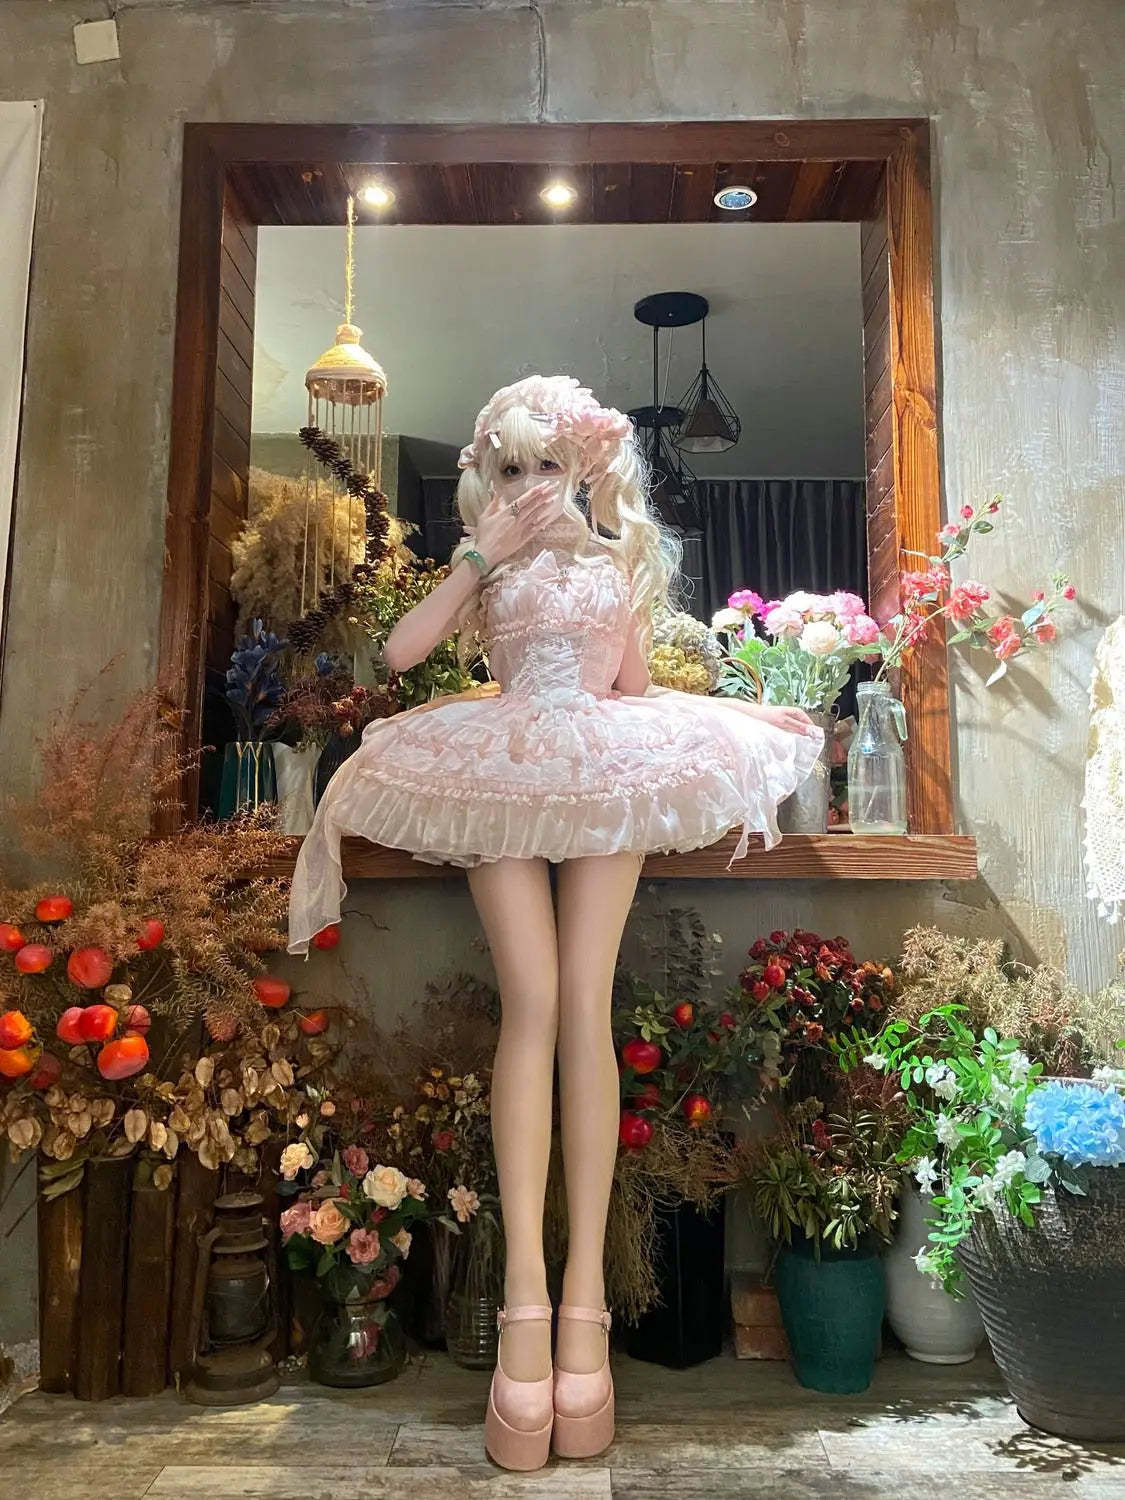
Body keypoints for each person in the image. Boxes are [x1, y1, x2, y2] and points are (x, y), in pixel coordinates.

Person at [287, 374, 822, 1470]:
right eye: (513, 467)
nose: (532, 484)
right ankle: (525, 1307)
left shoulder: (612, 564)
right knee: (531, 1003)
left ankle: (585, 1311)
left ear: (581, 469)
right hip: (502, 765)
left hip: (600, 764)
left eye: (549, 465)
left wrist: (719, 711)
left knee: (585, 1006)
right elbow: (397, 657)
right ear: (490, 474)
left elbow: (632, 688)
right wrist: (478, 556)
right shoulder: (485, 564)